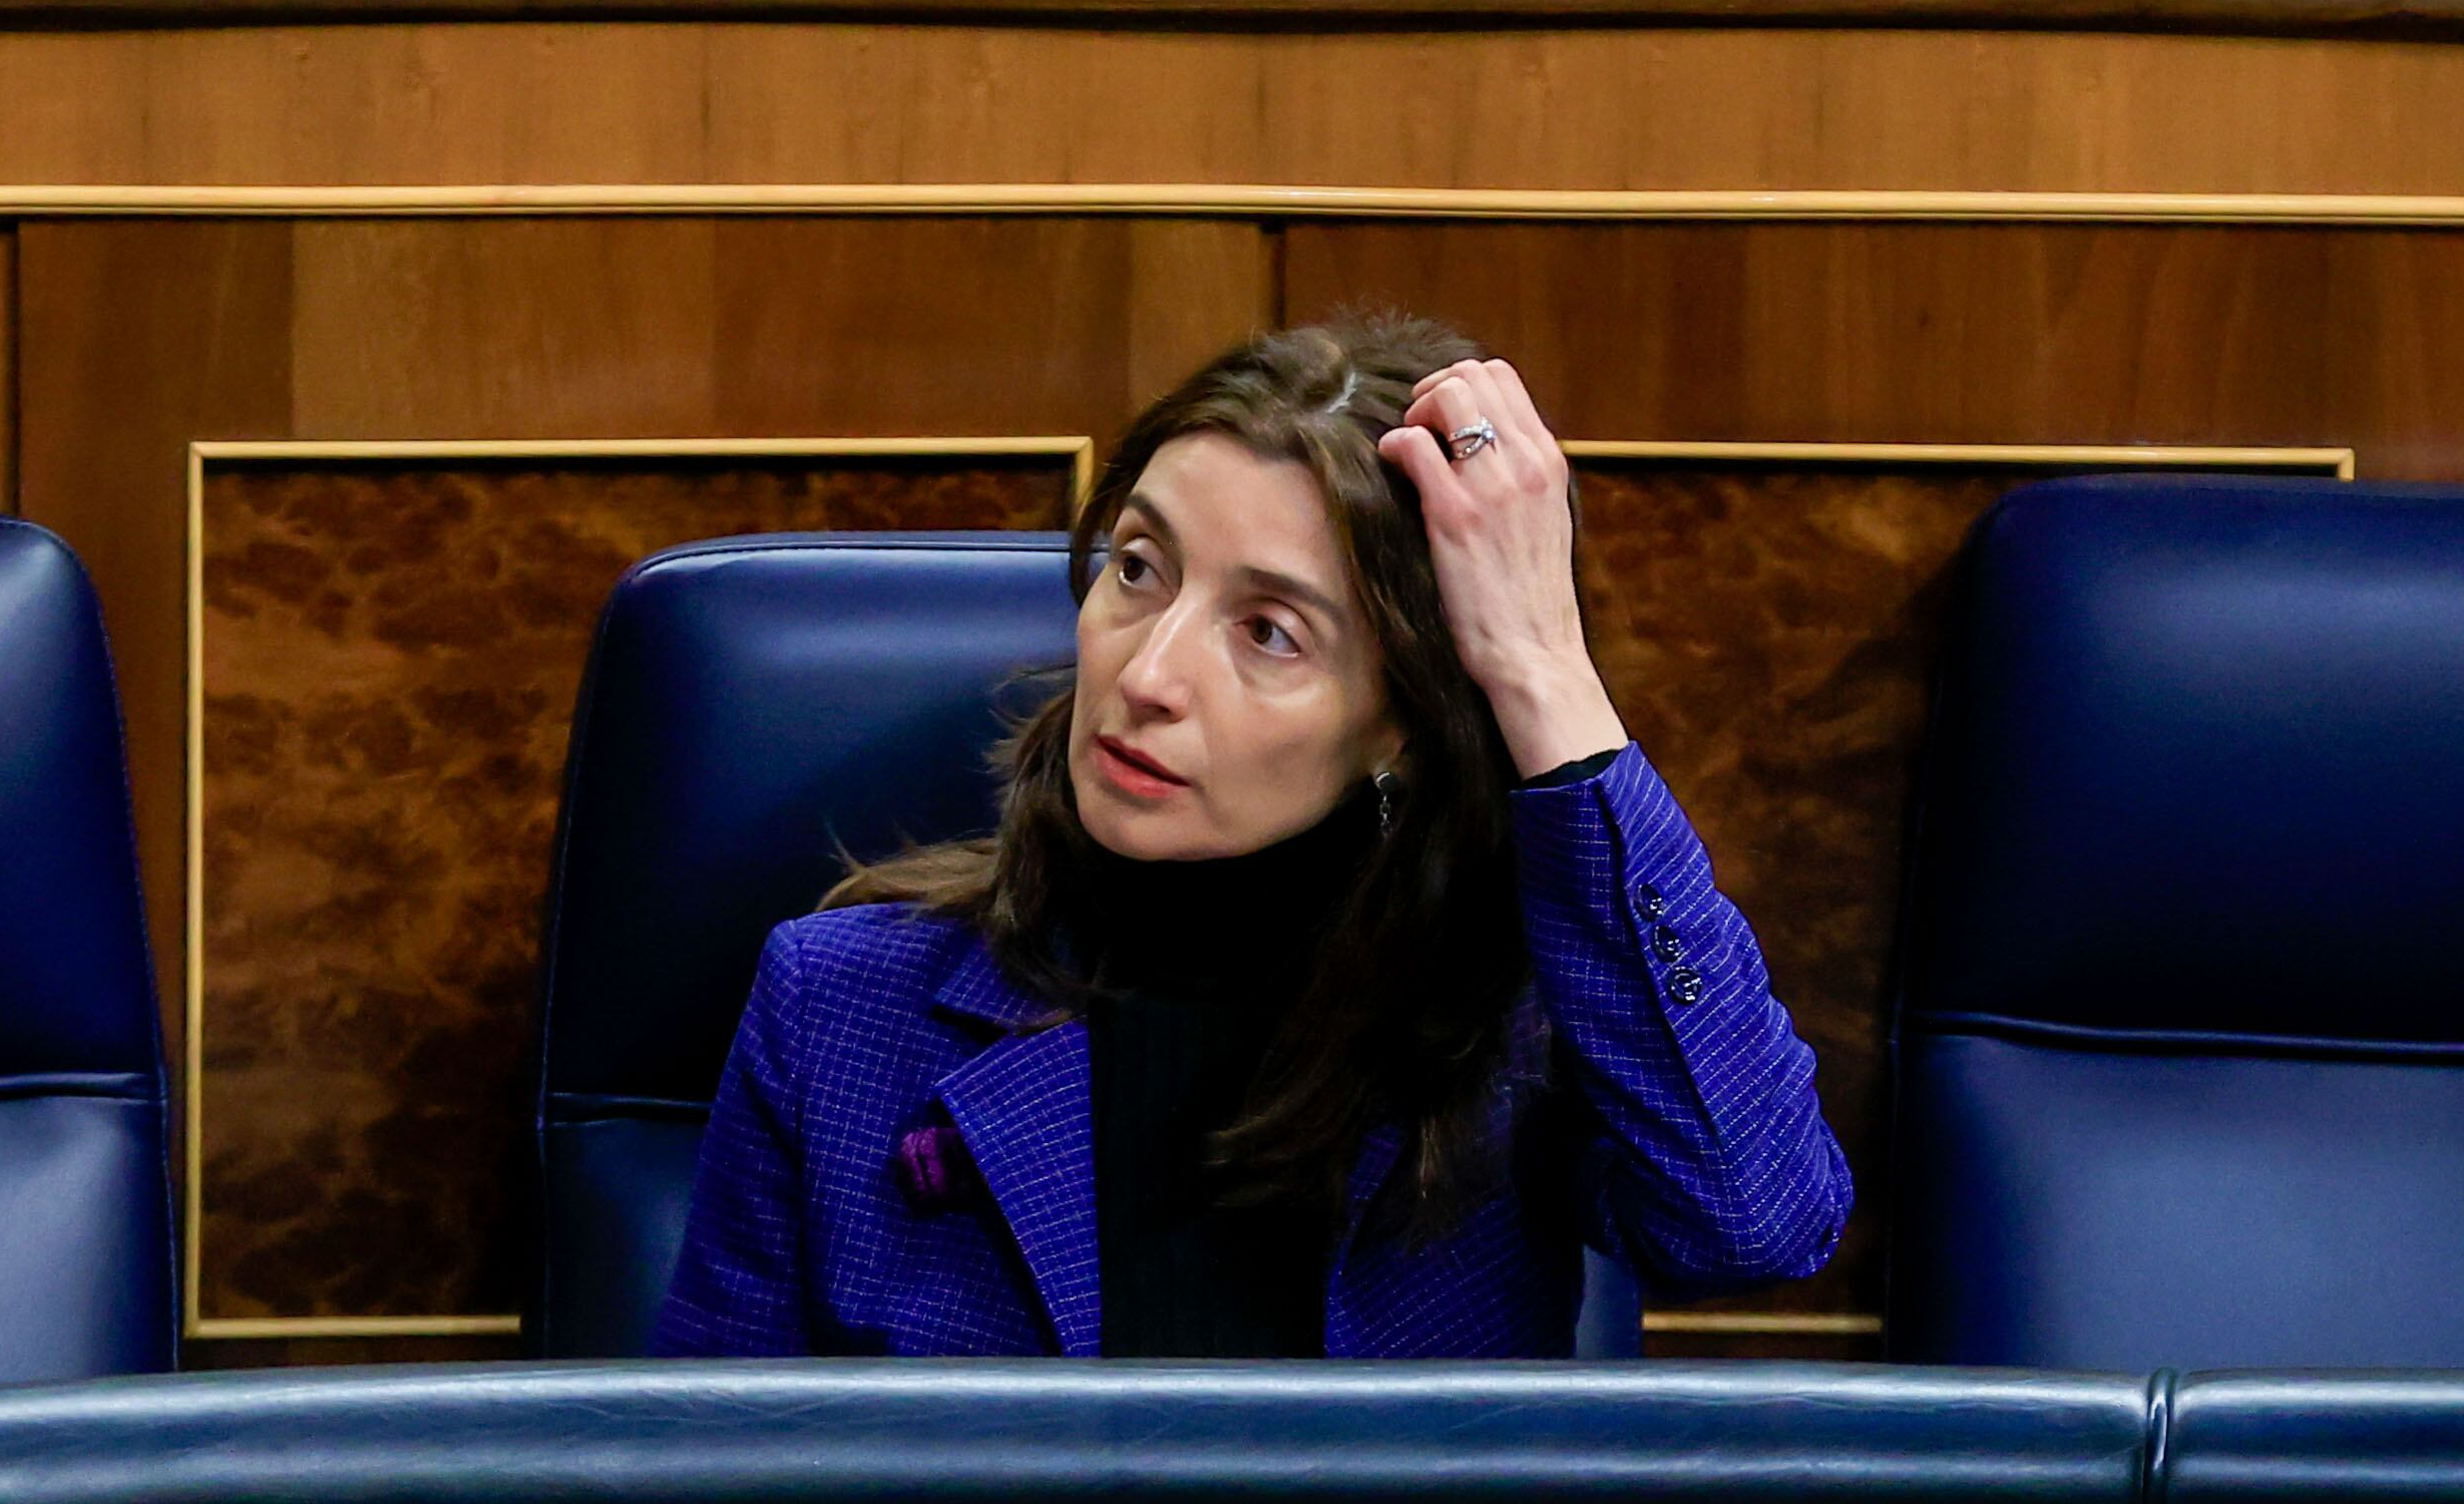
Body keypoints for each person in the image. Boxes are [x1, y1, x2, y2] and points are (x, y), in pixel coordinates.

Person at [653, 310, 1852, 1358]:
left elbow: (1755, 1220)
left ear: (1402, 726)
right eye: (1137, 568)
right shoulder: (838, 1009)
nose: (1150, 674)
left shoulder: (1515, 1026)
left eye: (1269, 632)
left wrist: (1542, 677)